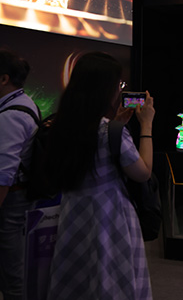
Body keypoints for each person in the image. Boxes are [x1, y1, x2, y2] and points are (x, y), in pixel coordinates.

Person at [44, 51, 155, 300]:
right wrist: (146, 125)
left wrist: (117, 123)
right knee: (111, 279)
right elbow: (143, 172)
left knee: (78, 278)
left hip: (74, 213)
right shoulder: (109, 131)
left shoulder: (60, 125)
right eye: (118, 84)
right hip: (110, 217)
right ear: (105, 89)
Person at [0, 48, 40, 300]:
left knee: (12, 279)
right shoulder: (24, 103)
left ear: (4, 79)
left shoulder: (11, 115)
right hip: (20, 198)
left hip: (10, 203)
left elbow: (3, 174)